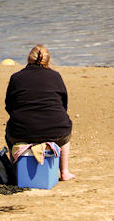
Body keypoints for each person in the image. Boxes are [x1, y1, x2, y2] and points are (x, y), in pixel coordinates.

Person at [4, 44, 75, 181]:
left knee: (10, 133)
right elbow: (63, 104)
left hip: (21, 132)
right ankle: (64, 172)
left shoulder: (16, 77)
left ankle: (16, 171)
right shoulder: (56, 76)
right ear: (48, 61)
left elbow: (9, 106)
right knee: (65, 135)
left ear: (28, 59)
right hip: (56, 131)